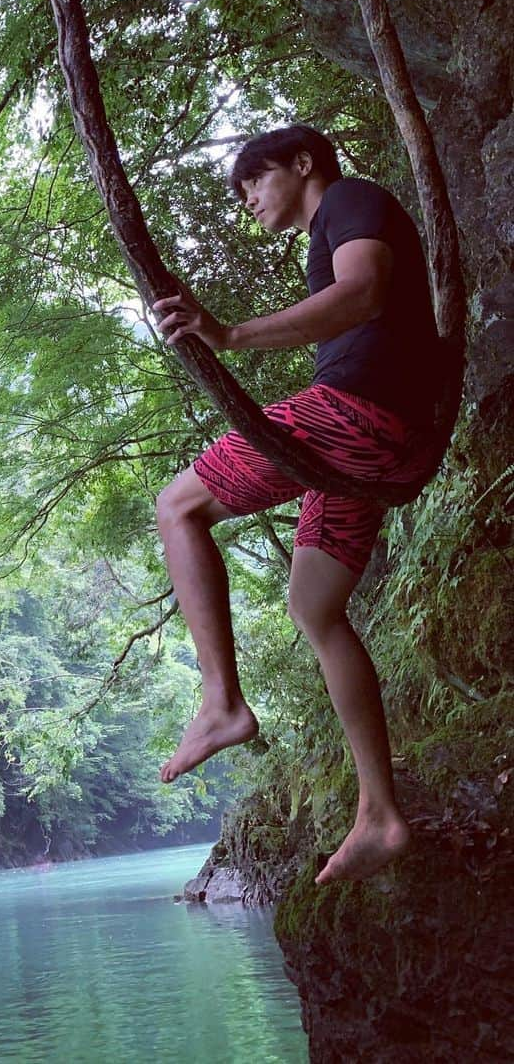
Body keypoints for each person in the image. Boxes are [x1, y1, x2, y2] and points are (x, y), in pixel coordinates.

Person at [152, 123, 439, 885]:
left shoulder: (349, 199)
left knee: (177, 507)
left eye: (253, 180)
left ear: (302, 163)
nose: (246, 199)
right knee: (313, 606)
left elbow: (365, 289)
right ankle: (380, 812)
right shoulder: (335, 222)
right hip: (379, 443)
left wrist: (232, 333)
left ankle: (221, 702)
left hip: (354, 415)